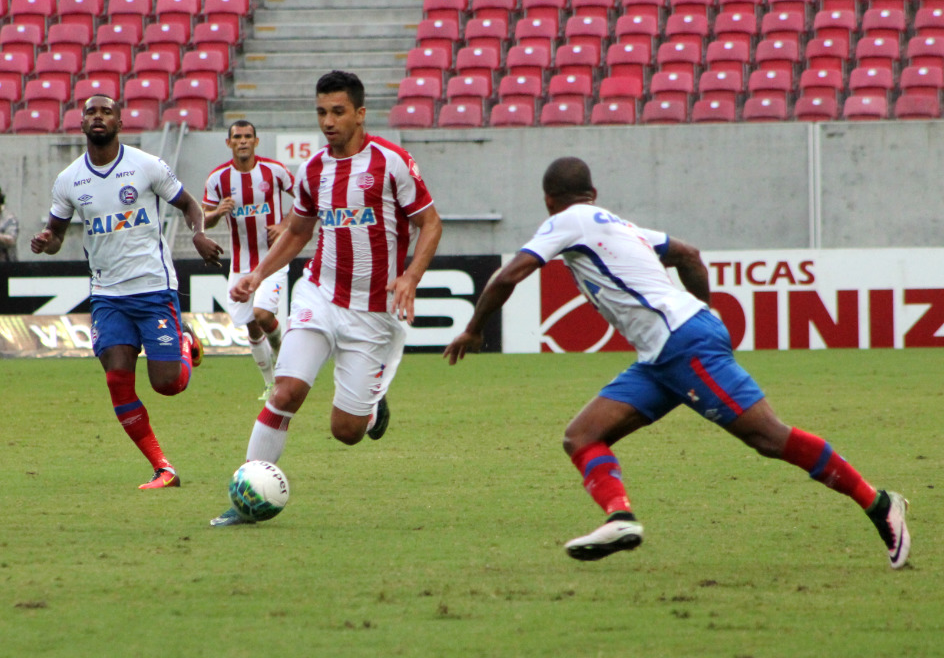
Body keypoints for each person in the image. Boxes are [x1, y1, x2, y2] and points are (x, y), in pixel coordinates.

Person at [443, 156, 910, 569]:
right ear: (594, 193)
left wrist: (475, 327)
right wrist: (704, 306)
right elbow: (688, 253)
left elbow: (510, 275)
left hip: (681, 344)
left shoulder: (568, 220)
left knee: (768, 437)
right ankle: (619, 518)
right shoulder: (619, 225)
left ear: (549, 202)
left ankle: (878, 502)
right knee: (582, 436)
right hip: (661, 355)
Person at [210, 70, 443, 526]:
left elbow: (430, 223)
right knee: (286, 390)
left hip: (374, 313)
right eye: (321, 112)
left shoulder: (391, 163)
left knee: (347, 431)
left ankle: (371, 412)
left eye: (338, 112)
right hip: (320, 295)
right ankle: (246, 496)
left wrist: (411, 276)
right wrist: (256, 274)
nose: (328, 121)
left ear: (359, 113)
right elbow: (298, 231)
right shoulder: (314, 169)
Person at [30, 95, 225, 490]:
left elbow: (189, 205)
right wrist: (46, 240)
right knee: (117, 380)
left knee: (168, 384)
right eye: (91, 112)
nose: (98, 117)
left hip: (153, 288)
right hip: (106, 294)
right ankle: (163, 468)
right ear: (81, 123)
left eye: (106, 111)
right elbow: (57, 236)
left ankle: (186, 342)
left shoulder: (146, 165)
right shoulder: (69, 180)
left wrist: (199, 234)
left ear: (119, 121)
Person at [203, 120, 295, 399]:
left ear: (256, 141)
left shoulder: (274, 171)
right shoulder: (218, 178)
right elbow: (201, 219)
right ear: (228, 143)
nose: (242, 141)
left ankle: (286, 366)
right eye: (237, 137)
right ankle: (271, 384)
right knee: (252, 327)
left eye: (247, 137)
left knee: (263, 314)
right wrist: (219, 212)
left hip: (274, 259)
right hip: (241, 264)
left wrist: (285, 225)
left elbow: (305, 199)